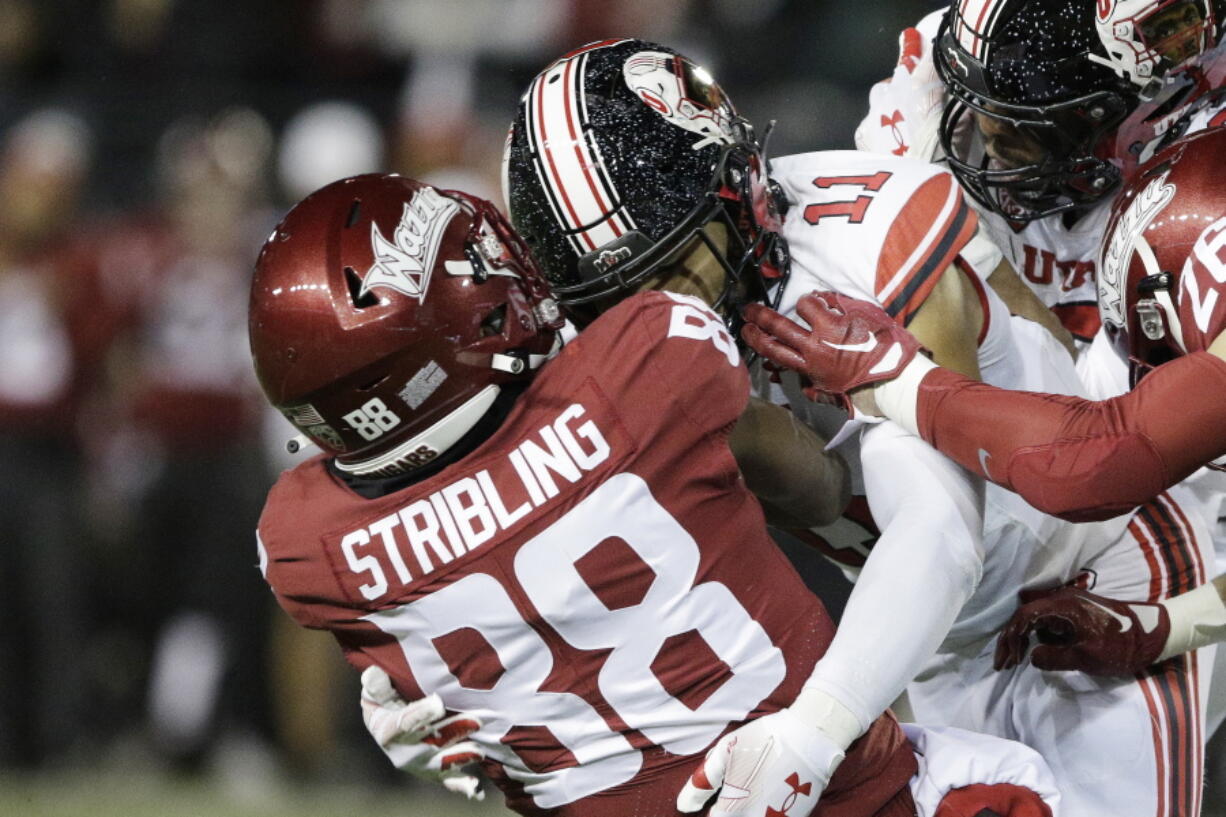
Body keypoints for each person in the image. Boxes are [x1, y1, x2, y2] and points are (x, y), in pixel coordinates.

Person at [498, 38, 1215, 816]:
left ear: (734, 194)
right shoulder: (625, 350)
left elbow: (944, 524)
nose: (662, 316)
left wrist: (817, 725)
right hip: (941, 638)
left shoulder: (863, 240)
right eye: (619, 298)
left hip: (1096, 563)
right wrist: (457, 679)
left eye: (673, 267)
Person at [251, 173, 1059, 816]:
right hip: (837, 787)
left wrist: (441, 693)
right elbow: (822, 490)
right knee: (1008, 776)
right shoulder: (650, 359)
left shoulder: (304, 546)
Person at [856, 0, 1225, 349]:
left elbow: (1117, 410)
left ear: (1158, 102)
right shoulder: (960, 47)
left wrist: (961, 245)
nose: (991, 131)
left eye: (1029, 119)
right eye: (980, 104)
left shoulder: (1206, 174)